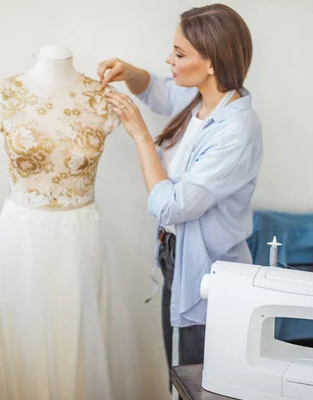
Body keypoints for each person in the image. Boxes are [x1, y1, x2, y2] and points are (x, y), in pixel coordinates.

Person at [99, 2, 263, 383]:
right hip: (175, 258)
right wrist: (130, 72)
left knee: (199, 379)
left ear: (211, 63)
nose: (169, 59)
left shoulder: (236, 130)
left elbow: (174, 206)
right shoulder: (201, 99)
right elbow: (158, 91)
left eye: (179, 53)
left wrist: (140, 134)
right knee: (180, 371)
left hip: (209, 275)